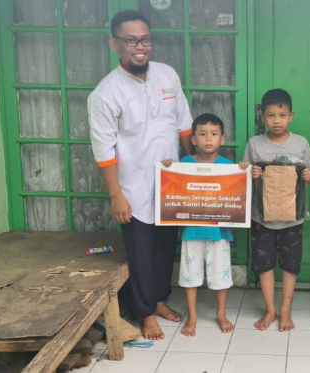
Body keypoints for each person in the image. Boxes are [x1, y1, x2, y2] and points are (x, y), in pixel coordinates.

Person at [88, 10, 192, 340]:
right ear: (114, 43)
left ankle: (158, 300)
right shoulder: (106, 93)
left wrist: (192, 170)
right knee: (141, 255)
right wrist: (116, 195)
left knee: (164, 249)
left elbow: (184, 124)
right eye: (131, 40)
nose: (140, 46)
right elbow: (104, 151)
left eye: (145, 39)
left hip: (171, 185)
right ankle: (145, 313)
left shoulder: (167, 75)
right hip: (133, 189)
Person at [162, 113, 249, 337]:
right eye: (202, 134)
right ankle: (192, 315)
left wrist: (242, 171)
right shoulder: (184, 165)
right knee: (190, 275)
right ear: (193, 140)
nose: (207, 138)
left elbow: (237, 194)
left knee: (220, 275)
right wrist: (168, 168)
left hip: (219, 232)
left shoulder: (230, 166)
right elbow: (172, 188)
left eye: (213, 134)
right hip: (191, 231)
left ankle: (221, 313)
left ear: (222, 139)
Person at [243, 89, 310, 331]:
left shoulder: (301, 143)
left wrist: (308, 175)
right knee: (264, 265)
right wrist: (250, 173)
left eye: (282, 115)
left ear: (291, 116)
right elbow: (242, 175)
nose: (277, 120)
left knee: (290, 265)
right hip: (261, 218)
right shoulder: (254, 144)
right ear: (263, 117)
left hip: (293, 219)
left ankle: (285, 310)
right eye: (271, 115)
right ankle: (270, 310)